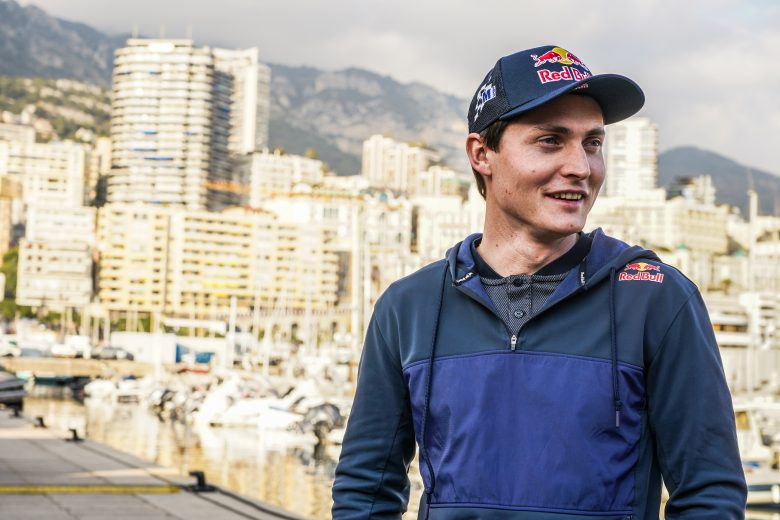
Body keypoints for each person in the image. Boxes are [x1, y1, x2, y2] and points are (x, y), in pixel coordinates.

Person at [332, 45, 747, 520]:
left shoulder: (656, 297)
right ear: (481, 154)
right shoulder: (409, 307)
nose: (581, 167)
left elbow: (709, 495)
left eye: (592, 143)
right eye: (551, 140)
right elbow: (366, 490)